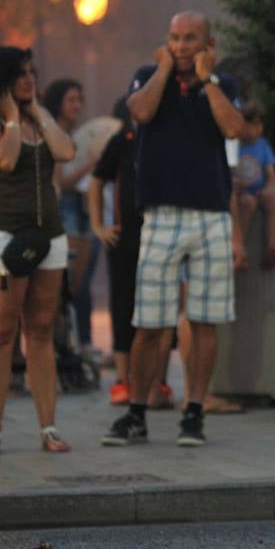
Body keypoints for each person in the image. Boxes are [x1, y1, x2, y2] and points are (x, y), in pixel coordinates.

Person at [101, 11, 246, 448]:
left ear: (208, 43)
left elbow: (234, 127)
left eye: (190, 39)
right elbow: (140, 111)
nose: (181, 46)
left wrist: (206, 83)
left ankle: (195, 412)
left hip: (210, 214)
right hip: (160, 214)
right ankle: (137, 413)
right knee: (150, 323)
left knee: (204, 320)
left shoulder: (225, 85)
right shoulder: (148, 75)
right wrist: (164, 68)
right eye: (174, 38)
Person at [0, 46, 77, 454]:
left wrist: (38, 113)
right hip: (5, 237)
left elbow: (65, 152)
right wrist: (12, 118)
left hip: (49, 235)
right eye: (20, 74)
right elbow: (6, 161)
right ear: (0, 82)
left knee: (43, 328)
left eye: (32, 71)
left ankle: (49, 428)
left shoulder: (37, 118)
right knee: (1, 332)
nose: (29, 79)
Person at [89, 97, 176, 409]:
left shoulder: (171, 138)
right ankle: (123, 381)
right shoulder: (123, 141)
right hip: (126, 240)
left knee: (164, 314)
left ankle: (158, 382)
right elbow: (97, 182)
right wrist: (99, 225)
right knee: (124, 307)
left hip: (165, 237)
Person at [43, 78, 101, 353]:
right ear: (58, 103)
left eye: (79, 99)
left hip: (82, 207)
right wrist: (91, 163)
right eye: (71, 100)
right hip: (64, 209)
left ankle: (76, 342)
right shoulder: (54, 135)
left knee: (79, 283)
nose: (77, 105)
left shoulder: (77, 135)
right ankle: (58, 343)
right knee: (63, 285)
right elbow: (60, 183)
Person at [234, 99, 275, 270]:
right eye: (252, 125)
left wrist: (268, 188)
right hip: (241, 193)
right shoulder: (234, 145)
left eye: (259, 125)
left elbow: (270, 174)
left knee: (272, 200)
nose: (257, 130)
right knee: (247, 203)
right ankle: (240, 246)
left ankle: (272, 246)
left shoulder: (263, 145)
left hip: (260, 191)